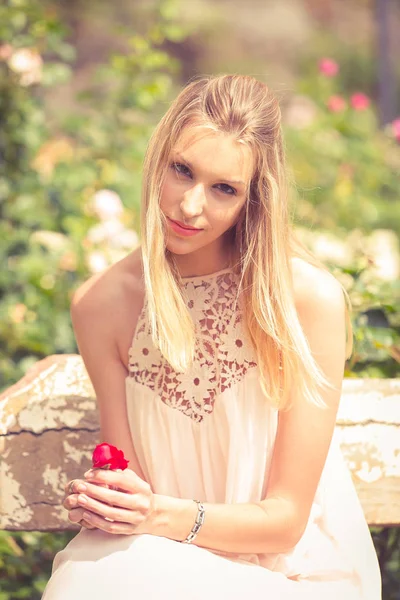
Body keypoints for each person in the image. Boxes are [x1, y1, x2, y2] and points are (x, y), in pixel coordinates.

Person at [41, 74, 381, 600]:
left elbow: (285, 523)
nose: (191, 206)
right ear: (159, 159)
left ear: (254, 199)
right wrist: (111, 502)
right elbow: (127, 484)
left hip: (291, 575)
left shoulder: (305, 302)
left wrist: (157, 514)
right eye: (182, 171)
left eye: (224, 188)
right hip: (156, 560)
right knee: (88, 578)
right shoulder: (101, 306)